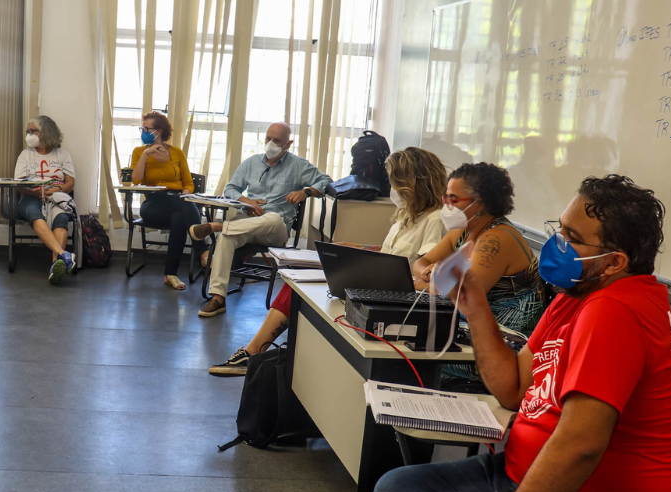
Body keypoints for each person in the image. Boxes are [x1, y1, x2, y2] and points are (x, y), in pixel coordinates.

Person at [324, 174, 671, 492]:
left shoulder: (616, 311)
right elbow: (513, 388)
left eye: (572, 239)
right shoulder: (574, 298)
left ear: (615, 261)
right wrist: (476, 309)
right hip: (526, 480)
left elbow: (581, 445)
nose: (556, 245)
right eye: (558, 230)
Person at [209, 145, 447, 374]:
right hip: (382, 282)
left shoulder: (434, 220)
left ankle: (252, 353)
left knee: (305, 288)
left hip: (396, 294)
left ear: (411, 184)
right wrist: (354, 248)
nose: (391, 188)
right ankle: (255, 351)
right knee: (296, 285)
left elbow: (425, 274)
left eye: (394, 181)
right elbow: (390, 254)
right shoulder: (406, 215)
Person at [413, 161, 543, 388]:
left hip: (502, 352)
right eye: (446, 197)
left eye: (454, 199)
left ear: (480, 204)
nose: (446, 205)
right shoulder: (464, 232)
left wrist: (421, 282)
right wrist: (428, 274)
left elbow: (462, 295)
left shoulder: (498, 238)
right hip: (469, 338)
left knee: (407, 358)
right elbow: (420, 263)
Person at [192, 122, 332, 318]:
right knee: (225, 238)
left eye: (277, 141)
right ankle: (218, 298)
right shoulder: (251, 162)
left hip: (275, 230)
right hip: (246, 223)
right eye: (268, 138)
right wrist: (246, 201)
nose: (270, 144)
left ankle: (219, 226)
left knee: (273, 218)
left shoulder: (298, 165)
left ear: (288, 144)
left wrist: (305, 192)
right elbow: (230, 189)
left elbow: (327, 182)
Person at [129, 111, 202, 291]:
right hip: (153, 204)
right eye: (142, 128)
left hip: (177, 200)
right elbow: (136, 180)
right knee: (184, 207)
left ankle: (171, 274)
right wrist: (146, 154)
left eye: (147, 129)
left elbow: (189, 184)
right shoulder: (139, 152)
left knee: (179, 217)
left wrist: (185, 195)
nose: (143, 132)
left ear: (159, 131)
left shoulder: (177, 153)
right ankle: (203, 250)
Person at [13, 115, 77, 284]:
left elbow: (70, 183)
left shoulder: (62, 155)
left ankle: (56, 266)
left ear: (45, 132)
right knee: (33, 213)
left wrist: (55, 190)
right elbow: (19, 184)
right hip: (31, 196)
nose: (29, 134)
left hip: (57, 195)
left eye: (33, 131)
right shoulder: (25, 155)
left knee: (61, 219)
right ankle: (63, 256)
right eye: (28, 131)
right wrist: (36, 194)